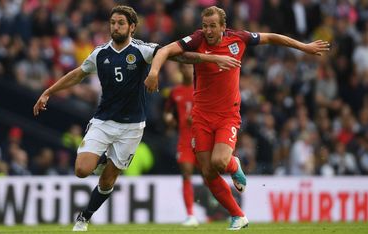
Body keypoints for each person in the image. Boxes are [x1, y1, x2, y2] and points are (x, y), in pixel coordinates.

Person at [33, 5, 240, 232]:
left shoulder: (142, 50)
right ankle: (101, 162)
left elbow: (179, 55)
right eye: (113, 22)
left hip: (132, 127)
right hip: (103, 121)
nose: (116, 26)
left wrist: (211, 59)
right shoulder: (100, 53)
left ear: (132, 27)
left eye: (121, 23)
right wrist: (48, 92)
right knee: (81, 170)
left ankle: (84, 217)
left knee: (108, 181)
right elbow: (77, 74)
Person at [144, 6, 330, 230]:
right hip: (201, 116)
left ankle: (234, 165)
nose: (208, 30)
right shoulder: (197, 39)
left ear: (223, 27)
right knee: (207, 171)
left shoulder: (239, 38)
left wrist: (304, 47)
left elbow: (271, 37)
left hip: (227, 115)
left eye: (213, 26)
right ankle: (238, 215)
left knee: (219, 162)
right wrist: (154, 72)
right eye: (205, 26)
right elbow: (165, 51)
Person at [163, 63, 198, 226]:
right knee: (186, 174)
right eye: (185, 68)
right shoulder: (175, 92)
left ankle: (224, 209)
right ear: (180, 70)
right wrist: (168, 118)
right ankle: (190, 215)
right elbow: (167, 110)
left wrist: (197, 117)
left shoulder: (201, 88)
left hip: (202, 138)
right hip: (184, 139)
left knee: (209, 176)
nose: (188, 70)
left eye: (190, 67)